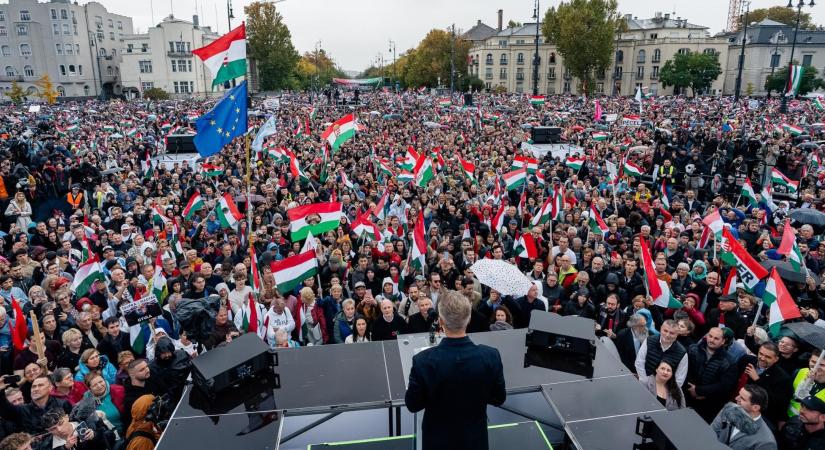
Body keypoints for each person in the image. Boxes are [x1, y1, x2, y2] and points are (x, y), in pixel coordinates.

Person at [405, 290, 506, 450]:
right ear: (469, 319)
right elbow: (498, 398)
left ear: (441, 321)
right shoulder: (490, 356)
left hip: (437, 441)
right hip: (474, 441)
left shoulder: (422, 361)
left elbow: (413, 404)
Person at [685, 327, 738, 422]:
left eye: (716, 338)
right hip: (686, 397)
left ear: (723, 341)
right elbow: (684, 370)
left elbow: (724, 386)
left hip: (708, 406)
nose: (712, 340)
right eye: (710, 336)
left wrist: (700, 391)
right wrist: (691, 389)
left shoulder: (729, 361)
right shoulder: (693, 349)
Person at [711, 385, 777, 450]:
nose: (736, 398)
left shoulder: (766, 442)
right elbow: (710, 433)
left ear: (755, 407)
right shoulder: (729, 409)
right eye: (739, 395)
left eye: (742, 398)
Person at [634, 319, 688, 387]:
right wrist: (645, 381)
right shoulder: (649, 340)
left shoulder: (682, 353)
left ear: (677, 334)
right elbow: (639, 362)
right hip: (644, 383)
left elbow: (679, 378)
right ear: (660, 329)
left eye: (672, 333)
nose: (667, 335)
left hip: (665, 390)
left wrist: (665, 391)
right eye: (665, 331)